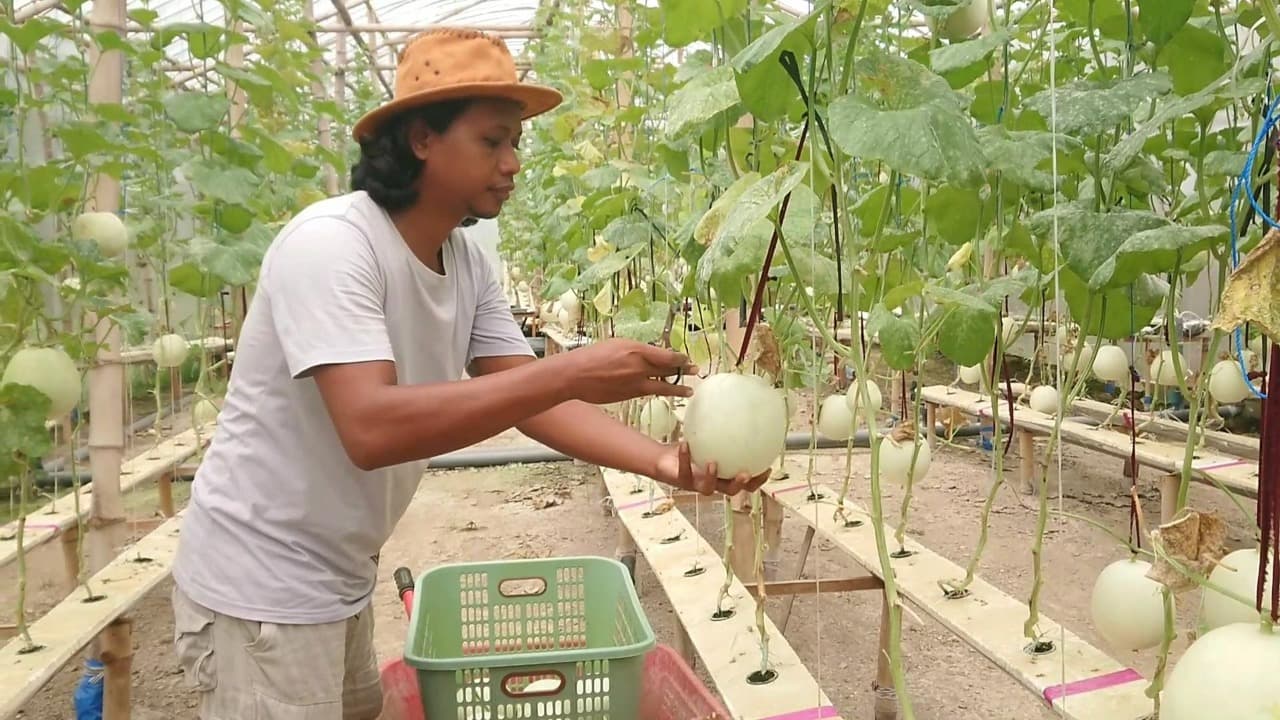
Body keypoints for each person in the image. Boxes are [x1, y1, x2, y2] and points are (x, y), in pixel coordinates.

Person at [169, 27, 770, 720]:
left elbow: (529, 398)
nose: (512, 162)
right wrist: (569, 371)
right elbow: (369, 427)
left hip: (337, 572)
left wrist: (668, 463)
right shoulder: (333, 245)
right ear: (422, 137)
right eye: (493, 141)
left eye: (516, 142)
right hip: (260, 585)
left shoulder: (465, 261)